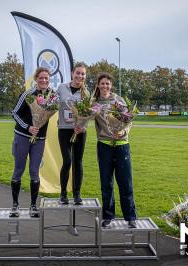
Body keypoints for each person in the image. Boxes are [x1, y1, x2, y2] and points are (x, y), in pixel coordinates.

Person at [94, 72, 137, 228]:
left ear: (111, 85)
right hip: (104, 146)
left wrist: (123, 132)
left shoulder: (119, 100)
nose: (105, 86)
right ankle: (108, 216)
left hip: (121, 146)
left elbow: (129, 120)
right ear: (98, 85)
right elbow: (85, 118)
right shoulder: (94, 102)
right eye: (102, 83)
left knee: (125, 183)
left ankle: (130, 216)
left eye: (107, 83)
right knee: (106, 184)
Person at [9, 67, 51, 218]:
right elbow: (14, 113)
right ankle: (15, 205)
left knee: (34, 171)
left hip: (39, 140)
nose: (44, 80)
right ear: (36, 78)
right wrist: (28, 127)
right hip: (22, 137)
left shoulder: (52, 97)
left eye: (46, 78)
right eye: (41, 78)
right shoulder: (27, 94)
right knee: (19, 170)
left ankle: (33, 206)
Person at [57, 62, 89, 205]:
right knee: (67, 160)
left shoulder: (86, 93)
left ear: (85, 76)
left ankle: (77, 194)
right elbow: (52, 105)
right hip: (64, 130)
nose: (80, 76)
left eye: (83, 74)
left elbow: (88, 113)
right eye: (78, 73)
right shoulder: (61, 88)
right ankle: (63, 194)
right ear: (72, 73)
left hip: (80, 131)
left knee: (78, 161)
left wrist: (81, 126)